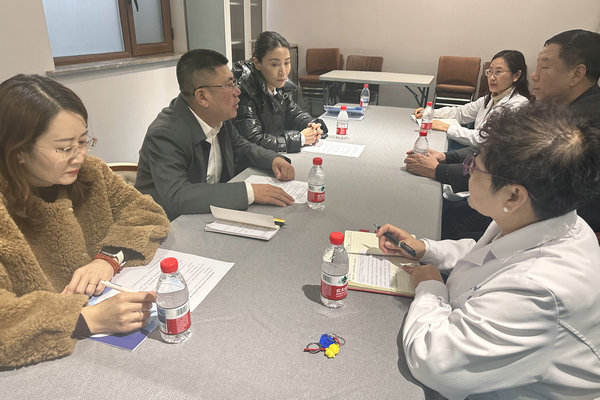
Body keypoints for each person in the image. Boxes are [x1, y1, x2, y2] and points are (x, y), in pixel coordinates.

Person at [377, 103, 600, 399]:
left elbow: (433, 361)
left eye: (474, 165)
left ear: (513, 196)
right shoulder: (548, 219)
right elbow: (490, 255)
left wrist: (430, 286)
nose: (468, 170)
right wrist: (427, 249)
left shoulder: (540, 291)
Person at [0, 74, 170, 368]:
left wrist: (107, 259)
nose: (79, 157)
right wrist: (85, 318)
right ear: (19, 152)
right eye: (64, 148)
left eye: (83, 141)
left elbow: (147, 213)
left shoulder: (91, 173)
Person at [135, 49, 297, 220]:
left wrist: (273, 159)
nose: (237, 91)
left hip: (207, 216)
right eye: (228, 85)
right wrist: (250, 192)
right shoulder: (164, 134)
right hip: (164, 225)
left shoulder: (218, 117)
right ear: (202, 97)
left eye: (234, 82)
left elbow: (241, 147)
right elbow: (178, 196)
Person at [531, 29, 600, 232]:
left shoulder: (577, 124)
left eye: (544, 66)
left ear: (577, 74)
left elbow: (522, 175)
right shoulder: (573, 108)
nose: (534, 76)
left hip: (562, 224)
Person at [232, 31, 327, 153]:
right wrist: (301, 139)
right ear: (257, 63)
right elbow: (253, 140)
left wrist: (312, 125)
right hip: (252, 163)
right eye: (275, 64)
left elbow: (294, 115)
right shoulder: (244, 91)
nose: (283, 72)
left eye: (286, 63)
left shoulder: (279, 86)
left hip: (273, 157)